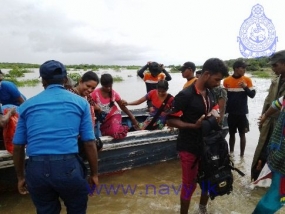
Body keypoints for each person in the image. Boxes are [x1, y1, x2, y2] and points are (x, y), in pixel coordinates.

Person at [12, 60, 99, 214]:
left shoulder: (26, 105)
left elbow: (18, 146)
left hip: (36, 169)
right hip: (68, 168)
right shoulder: (81, 103)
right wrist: (94, 174)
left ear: (43, 80)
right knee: (77, 209)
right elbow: (89, 142)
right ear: (65, 80)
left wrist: (20, 177)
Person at [166, 58, 229, 214]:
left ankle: (202, 209)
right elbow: (170, 119)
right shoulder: (185, 95)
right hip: (188, 147)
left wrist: (215, 116)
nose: (218, 83)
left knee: (208, 178)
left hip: (207, 146)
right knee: (189, 185)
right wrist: (193, 125)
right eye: (216, 79)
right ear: (206, 74)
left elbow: (215, 111)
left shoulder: (210, 93)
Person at [251, 50, 285, 181]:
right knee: (262, 151)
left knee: (278, 156)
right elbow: (268, 101)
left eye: (275, 65)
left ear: (283, 63)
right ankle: (256, 180)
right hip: (269, 122)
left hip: (281, 126)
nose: (273, 68)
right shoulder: (275, 81)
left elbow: (279, 103)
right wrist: (263, 118)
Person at [252, 95, 285, 213]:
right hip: (281, 159)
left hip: (278, 156)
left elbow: (276, 103)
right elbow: (277, 104)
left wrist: (266, 115)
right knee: (275, 198)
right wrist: (265, 115)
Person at [223, 60, 256, 157]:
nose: (245, 70)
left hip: (242, 112)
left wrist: (245, 87)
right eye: (243, 68)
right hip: (231, 112)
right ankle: (231, 154)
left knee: (242, 134)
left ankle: (242, 156)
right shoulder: (226, 81)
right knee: (231, 134)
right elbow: (224, 98)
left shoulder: (247, 80)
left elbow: (252, 95)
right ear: (236, 69)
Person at [91, 73, 139, 139]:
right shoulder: (95, 93)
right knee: (105, 133)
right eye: (106, 87)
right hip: (103, 119)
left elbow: (122, 106)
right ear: (102, 85)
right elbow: (89, 105)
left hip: (114, 115)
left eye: (110, 86)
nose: (108, 88)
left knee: (115, 133)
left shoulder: (114, 93)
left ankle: (126, 128)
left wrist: (132, 117)